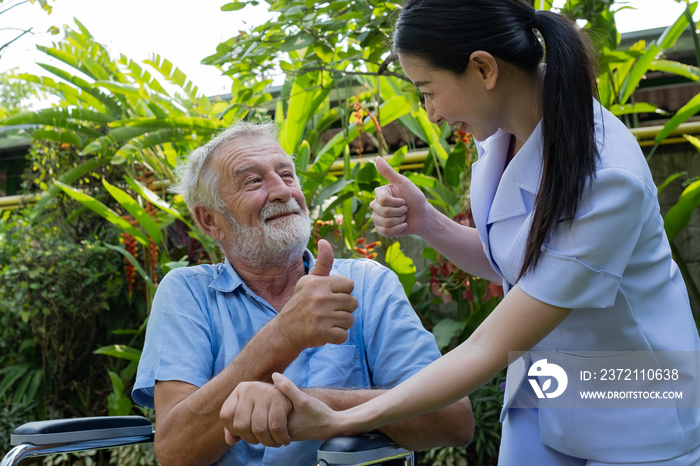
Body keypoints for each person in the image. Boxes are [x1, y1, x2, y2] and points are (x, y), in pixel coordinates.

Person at [222, 1, 700, 465]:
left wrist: (341, 419)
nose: (428, 113)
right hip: (552, 383)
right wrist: (426, 221)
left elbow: (485, 347)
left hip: (635, 398)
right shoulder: (503, 134)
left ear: (483, 69)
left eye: (428, 90)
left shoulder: (606, 179)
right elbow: (513, 260)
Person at [131, 120, 474, 465]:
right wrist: (283, 336)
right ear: (209, 220)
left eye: (288, 175)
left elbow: (453, 420)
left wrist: (303, 403)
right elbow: (175, 450)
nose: (283, 191)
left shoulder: (368, 284)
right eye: (253, 181)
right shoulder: (187, 293)